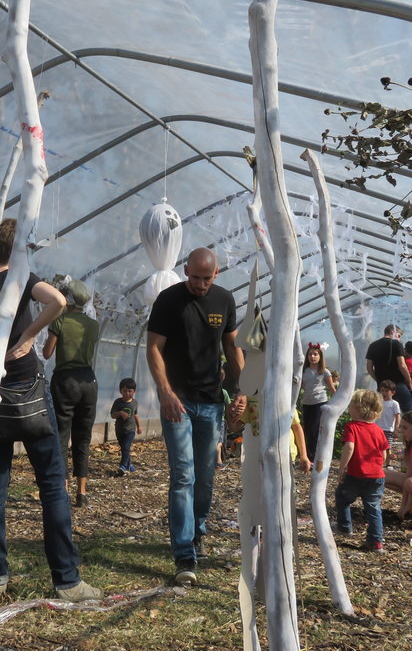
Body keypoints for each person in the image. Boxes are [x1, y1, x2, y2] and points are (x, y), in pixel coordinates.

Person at [0, 218, 101, 602]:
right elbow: (59, 301)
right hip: (28, 388)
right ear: (21, 249)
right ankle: (67, 581)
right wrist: (28, 336)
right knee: (52, 484)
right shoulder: (20, 277)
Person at [146, 247, 245, 587]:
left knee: (205, 476)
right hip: (178, 401)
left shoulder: (225, 301)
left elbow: (232, 348)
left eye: (207, 278)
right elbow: (154, 348)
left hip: (211, 402)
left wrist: (242, 388)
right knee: (183, 475)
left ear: (216, 274)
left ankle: (197, 529)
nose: (200, 285)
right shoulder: (168, 301)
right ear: (185, 269)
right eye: (195, 277)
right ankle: (184, 554)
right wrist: (165, 392)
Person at [43, 278, 100, 508]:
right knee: (83, 437)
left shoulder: (60, 320)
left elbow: (47, 353)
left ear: (67, 299)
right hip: (88, 381)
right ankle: (82, 492)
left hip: (65, 382)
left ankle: (62, 490)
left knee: (61, 436)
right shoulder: (93, 325)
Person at [333, 389, 389, 552]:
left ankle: (344, 526)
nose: (349, 407)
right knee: (373, 508)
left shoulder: (352, 427)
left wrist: (342, 468)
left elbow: (349, 447)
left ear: (358, 408)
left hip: (355, 474)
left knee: (342, 498)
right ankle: (375, 541)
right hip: (376, 476)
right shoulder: (378, 430)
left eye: (351, 404)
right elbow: (384, 454)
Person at [300, 342, 336, 463]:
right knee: (307, 430)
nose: (313, 356)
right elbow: (299, 387)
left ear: (320, 356)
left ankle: (314, 458)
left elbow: (332, 389)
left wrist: (338, 403)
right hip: (306, 403)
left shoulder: (325, 372)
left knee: (315, 430)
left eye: (315, 354)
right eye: (310, 354)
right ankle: (308, 457)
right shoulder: (303, 371)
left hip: (319, 403)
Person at [365, 324, 412, 413]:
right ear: (392, 332)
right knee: (408, 413)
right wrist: (409, 380)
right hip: (398, 384)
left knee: (382, 412)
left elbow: (369, 368)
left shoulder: (372, 345)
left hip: (382, 386)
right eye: (398, 335)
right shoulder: (396, 344)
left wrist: (378, 380)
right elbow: (402, 365)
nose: (399, 338)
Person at [110, 377, 142, 475]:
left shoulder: (134, 403)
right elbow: (112, 415)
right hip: (119, 429)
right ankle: (129, 465)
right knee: (124, 448)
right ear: (120, 391)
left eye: (130, 391)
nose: (127, 393)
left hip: (130, 430)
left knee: (126, 447)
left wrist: (139, 426)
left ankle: (123, 466)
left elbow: (136, 415)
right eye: (124, 391)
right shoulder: (118, 402)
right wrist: (120, 413)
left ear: (134, 391)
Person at [376, 379, 401, 449]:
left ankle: (387, 460)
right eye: (382, 391)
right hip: (377, 429)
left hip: (388, 430)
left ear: (392, 393)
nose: (384, 393)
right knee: (377, 447)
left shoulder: (394, 404)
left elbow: (398, 416)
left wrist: (396, 429)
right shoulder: (378, 402)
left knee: (387, 448)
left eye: (386, 391)